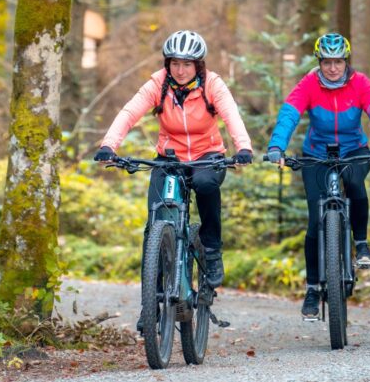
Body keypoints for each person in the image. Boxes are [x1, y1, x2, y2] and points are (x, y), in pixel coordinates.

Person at [94, 30, 252, 287]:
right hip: (169, 157)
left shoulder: (212, 84)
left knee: (205, 185)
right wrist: (109, 145)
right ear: (167, 64)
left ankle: (211, 250)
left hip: (206, 155)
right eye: (175, 63)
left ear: (198, 65)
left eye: (187, 64)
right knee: (155, 220)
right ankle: (151, 302)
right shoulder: (158, 83)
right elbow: (129, 112)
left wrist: (243, 148)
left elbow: (231, 114)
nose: (180, 70)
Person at [266, 33, 370, 319]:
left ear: (346, 61)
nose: (332, 68)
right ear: (319, 62)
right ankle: (313, 288)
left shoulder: (360, 83)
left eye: (338, 62)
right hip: (316, 153)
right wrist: (277, 146)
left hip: (354, 150)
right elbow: (289, 114)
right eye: (327, 62)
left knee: (354, 182)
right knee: (316, 221)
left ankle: (361, 243)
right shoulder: (308, 84)